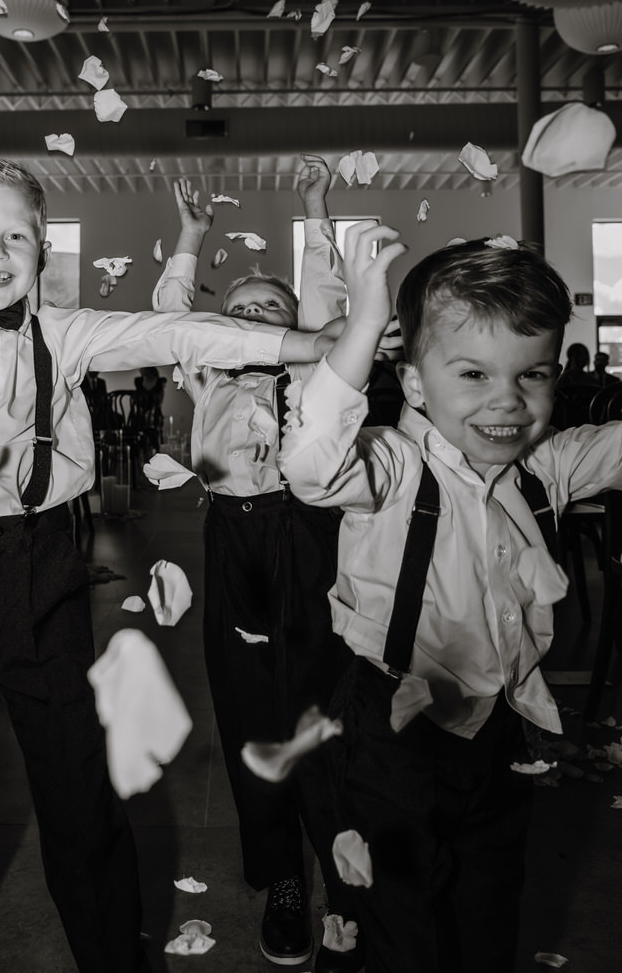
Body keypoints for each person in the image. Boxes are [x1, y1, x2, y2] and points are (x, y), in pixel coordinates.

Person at [0, 156, 338, 973]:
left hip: (40, 571)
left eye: (15, 236)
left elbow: (177, 330)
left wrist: (305, 341)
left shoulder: (68, 334)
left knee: (73, 782)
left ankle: (110, 952)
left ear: (41, 251)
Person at [278, 224, 622, 973]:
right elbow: (309, 467)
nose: (508, 400)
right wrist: (365, 326)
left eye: (531, 375)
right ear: (412, 382)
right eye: (472, 375)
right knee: (399, 923)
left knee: (489, 903)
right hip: (394, 736)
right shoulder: (392, 467)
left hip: (500, 732)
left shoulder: (547, 468)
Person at [152, 159, 361, 972]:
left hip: (306, 534)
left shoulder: (309, 377)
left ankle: (341, 864)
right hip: (231, 542)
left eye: (266, 311)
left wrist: (317, 208)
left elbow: (328, 309)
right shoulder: (205, 376)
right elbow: (170, 317)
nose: (249, 321)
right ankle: (281, 875)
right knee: (247, 709)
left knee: (316, 701)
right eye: (236, 312)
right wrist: (193, 237)